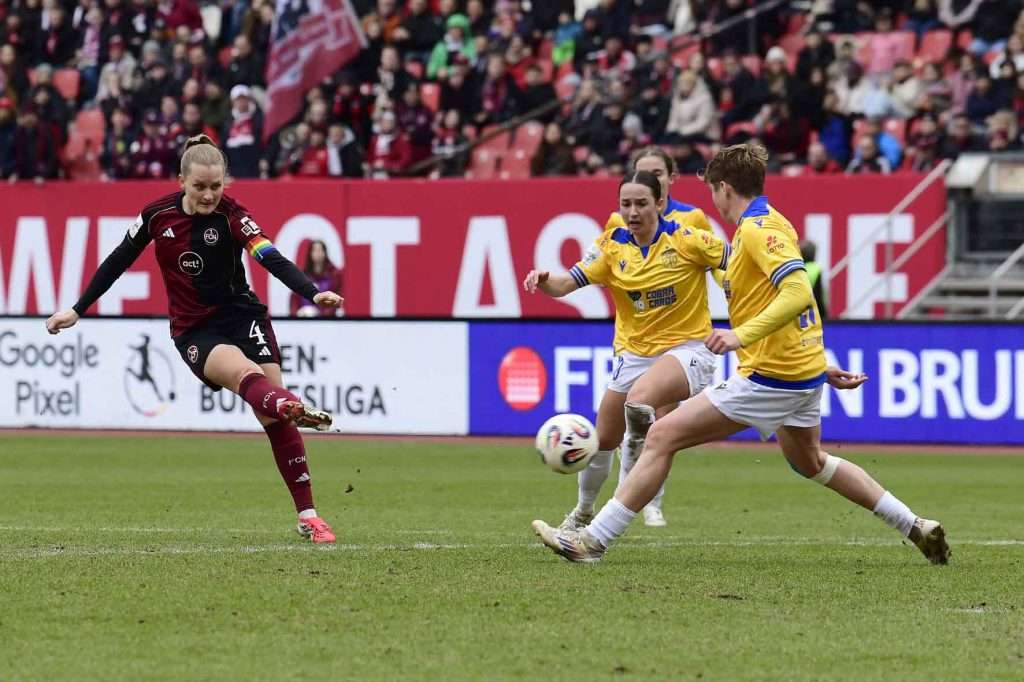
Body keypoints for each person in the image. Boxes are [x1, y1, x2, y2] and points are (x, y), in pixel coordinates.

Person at [532, 143, 950, 566]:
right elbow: (782, 301)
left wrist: (739, 336)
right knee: (811, 462)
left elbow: (798, 292)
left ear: (725, 188)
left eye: (713, 190)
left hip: (770, 377)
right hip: (799, 372)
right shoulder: (773, 223)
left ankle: (592, 541)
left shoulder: (755, 230)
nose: (712, 200)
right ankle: (914, 524)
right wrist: (820, 367)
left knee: (661, 436)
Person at [44, 135, 344, 544]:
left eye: (216, 186)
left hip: (243, 317)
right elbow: (117, 260)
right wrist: (78, 308)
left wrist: (311, 292)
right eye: (200, 186)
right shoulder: (156, 216)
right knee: (248, 377)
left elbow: (268, 255)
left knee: (272, 418)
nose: (208, 195)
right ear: (181, 181)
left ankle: (308, 515)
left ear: (225, 183)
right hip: (195, 329)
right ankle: (289, 405)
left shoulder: (233, 215)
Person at [525, 162, 729, 535]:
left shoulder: (688, 239)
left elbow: (736, 262)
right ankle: (582, 514)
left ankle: (618, 511)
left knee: (640, 401)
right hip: (634, 354)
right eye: (626, 204)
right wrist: (543, 280)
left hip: (688, 349)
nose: (632, 212)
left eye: (641, 204)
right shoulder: (610, 245)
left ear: (660, 203)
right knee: (602, 440)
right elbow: (566, 283)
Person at [291, 239, 344, 317]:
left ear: (325, 253)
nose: (317, 253)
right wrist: (296, 316)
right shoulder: (302, 276)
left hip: (325, 320)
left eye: (320, 250)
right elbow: (294, 300)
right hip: (303, 318)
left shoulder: (334, 276)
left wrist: (322, 317)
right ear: (310, 254)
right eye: (315, 250)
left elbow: (335, 301)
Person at [800, 240, 828, 319]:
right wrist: (824, 314)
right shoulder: (817, 269)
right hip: (816, 312)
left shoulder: (798, 269)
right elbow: (819, 295)